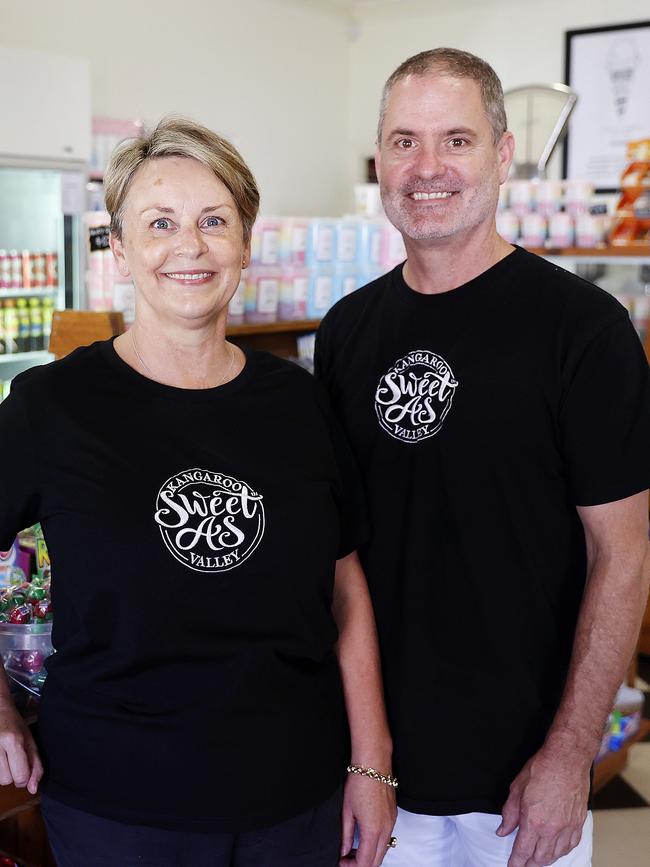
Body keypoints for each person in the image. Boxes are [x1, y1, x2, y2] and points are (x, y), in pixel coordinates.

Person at [0, 117, 396, 867]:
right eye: (160, 223)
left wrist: (372, 765)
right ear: (118, 247)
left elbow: (345, 586)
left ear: (245, 243)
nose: (191, 245)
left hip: (296, 796)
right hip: (117, 804)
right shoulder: (53, 406)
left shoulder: (300, 403)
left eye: (215, 221)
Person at [315, 48, 650, 867]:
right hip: (380, 776)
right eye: (403, 142)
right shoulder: (346, 332)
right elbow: (339, 556)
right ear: (380, 158)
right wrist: (361, 757)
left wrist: (572, 753)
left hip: (522, 789)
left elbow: (625, 553)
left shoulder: (584, 330)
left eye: (456, 140)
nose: (427, 168)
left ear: (502, 154)